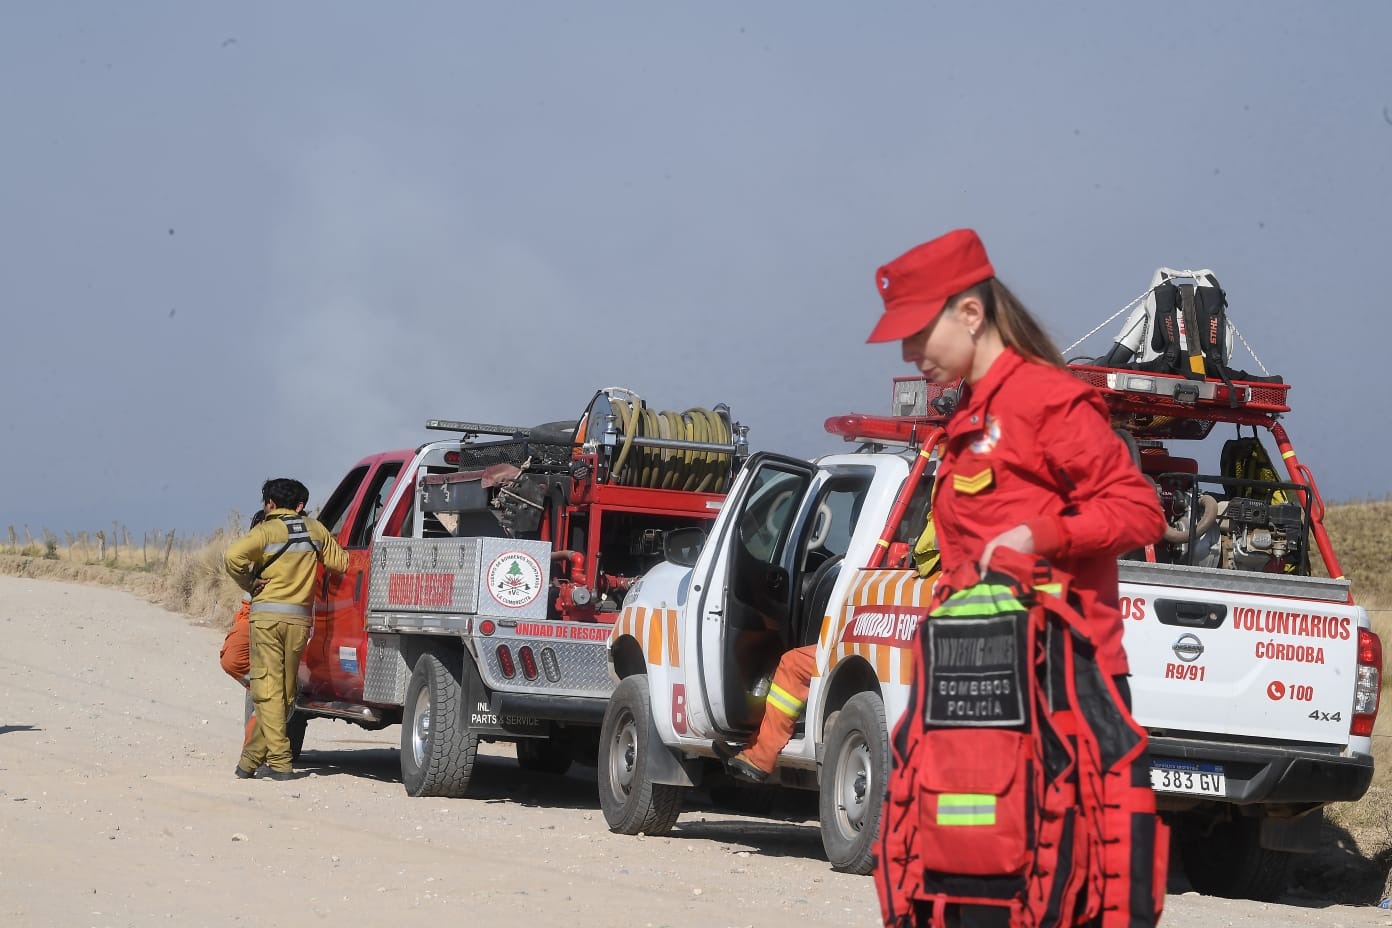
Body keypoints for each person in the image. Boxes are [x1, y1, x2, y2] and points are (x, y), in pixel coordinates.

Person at [866, 228, 1168, 926]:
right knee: (961, 867)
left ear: (970, 313)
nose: (910, 354)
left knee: (1066, 877)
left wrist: (1048, 534)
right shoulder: (971, 417)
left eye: (917, 334)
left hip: (1064, 684)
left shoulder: (1047, 401)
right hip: (978, 688)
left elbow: (1138, 510)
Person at [225, 478, 347, 780]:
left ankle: (278, 760)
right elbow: (341, 562)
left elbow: (232, 557)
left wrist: (251, 583)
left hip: (266, 619)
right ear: (301, 505)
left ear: (269, 504)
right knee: (285, 691)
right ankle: (250, 760)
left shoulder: (266, 530)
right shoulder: (316, 531)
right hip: (298, 622)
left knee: (268, 689)